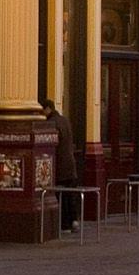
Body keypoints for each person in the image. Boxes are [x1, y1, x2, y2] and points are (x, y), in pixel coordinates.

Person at [41, 97, 80, 231]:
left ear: (48, 109)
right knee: (71, 196)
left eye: (42, 111)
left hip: (60, 166)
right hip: (70, 165)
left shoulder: (51, 123)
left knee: (61, 196)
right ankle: (74, 221)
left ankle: (64, 224)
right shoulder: (65, 120)